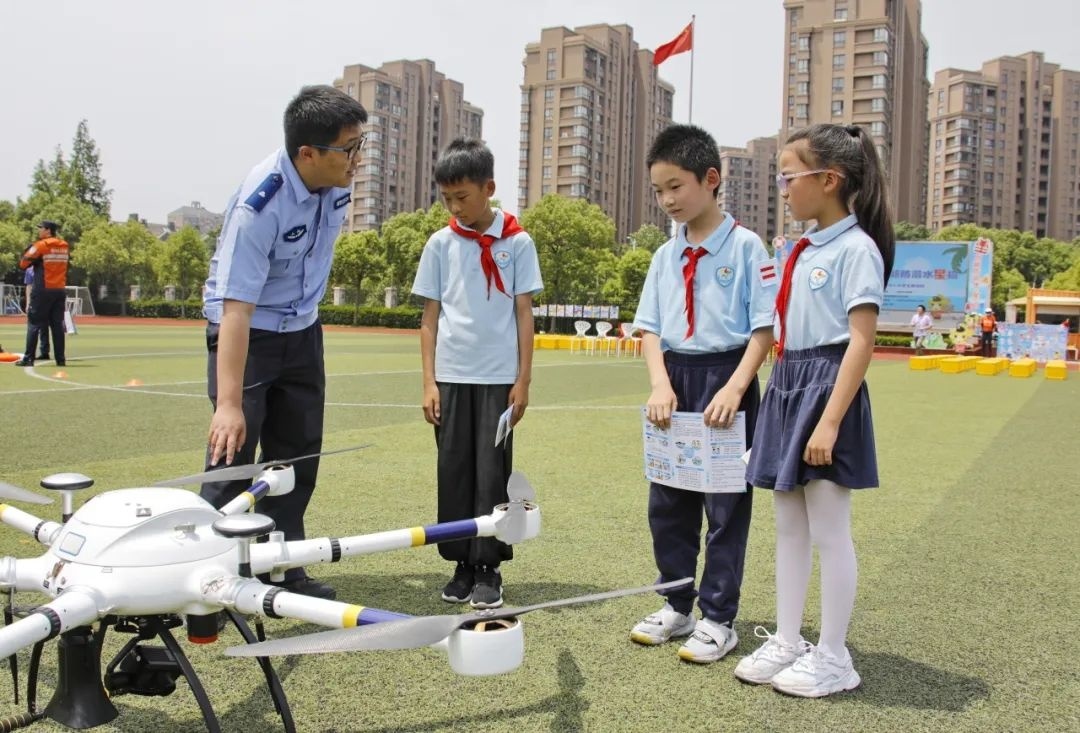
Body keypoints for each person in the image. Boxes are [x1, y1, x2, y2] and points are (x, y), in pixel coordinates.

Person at [737, 123, 894, 697]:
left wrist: (829, 420)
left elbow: (861, 341)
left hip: (827, 388)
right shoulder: (802, 249)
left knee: (829, 529)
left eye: (789, 177)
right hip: (790, 381)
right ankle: (787, 639)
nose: (782, 189)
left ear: (829, 179)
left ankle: (834, 655)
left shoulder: (856, 249)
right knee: (789, 527)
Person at [200, 85, 368, 600]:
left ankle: (282, 566)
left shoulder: (336, 185)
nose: (358, 159)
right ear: (308, 153)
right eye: (350, 148)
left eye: (361, 145)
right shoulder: (261, 205)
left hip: (302, 331)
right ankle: (210, 576)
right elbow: (236, 306)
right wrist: (229, 404)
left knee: (296, 459)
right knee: (233, 460)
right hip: (248, 334)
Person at [630, 124, 775, 664]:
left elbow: (763, 328)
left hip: (725, 382)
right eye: (659, 191)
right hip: (673, 383)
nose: (667, 200)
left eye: (676, 186)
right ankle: (676, 605)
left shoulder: (746, 246)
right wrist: (659, 382)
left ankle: (718, 618)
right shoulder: (664, 256)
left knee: (725, 508)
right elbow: (650, 328)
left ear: (711, 179)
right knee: (668, 502)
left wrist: (736, 387)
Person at [411, 138, 543, 609]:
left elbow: (524, 313)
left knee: (491, 475)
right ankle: (460, 564)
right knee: (454, 472)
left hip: (498, 381)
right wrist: (429, 381)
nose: (454, 207)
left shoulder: (518, 242)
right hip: (450, 377)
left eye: (462, 197)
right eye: (447, 198)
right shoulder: (440, 244)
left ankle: (488, 567)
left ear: (488, 188)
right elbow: (430, 318)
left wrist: (523, 380)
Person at [15, 221, 68, 367]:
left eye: (41, 229)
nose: (39, 231)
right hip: (59, 289)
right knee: (57, 325)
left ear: (48, 230)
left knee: (34, 323)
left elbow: (23, 264)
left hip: (43, 289)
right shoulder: (64, 246)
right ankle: (60, 359)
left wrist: (29, 251)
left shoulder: (40, 245)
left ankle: (28, 358)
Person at [24, 265, 50, 361]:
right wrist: (28, 303)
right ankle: (31, 353)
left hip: (46, 299)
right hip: (35, 300)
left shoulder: (47, 267)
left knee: (44, 327)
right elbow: (28, 286)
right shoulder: (29, 270)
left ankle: (44, 351)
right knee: (34, 328)